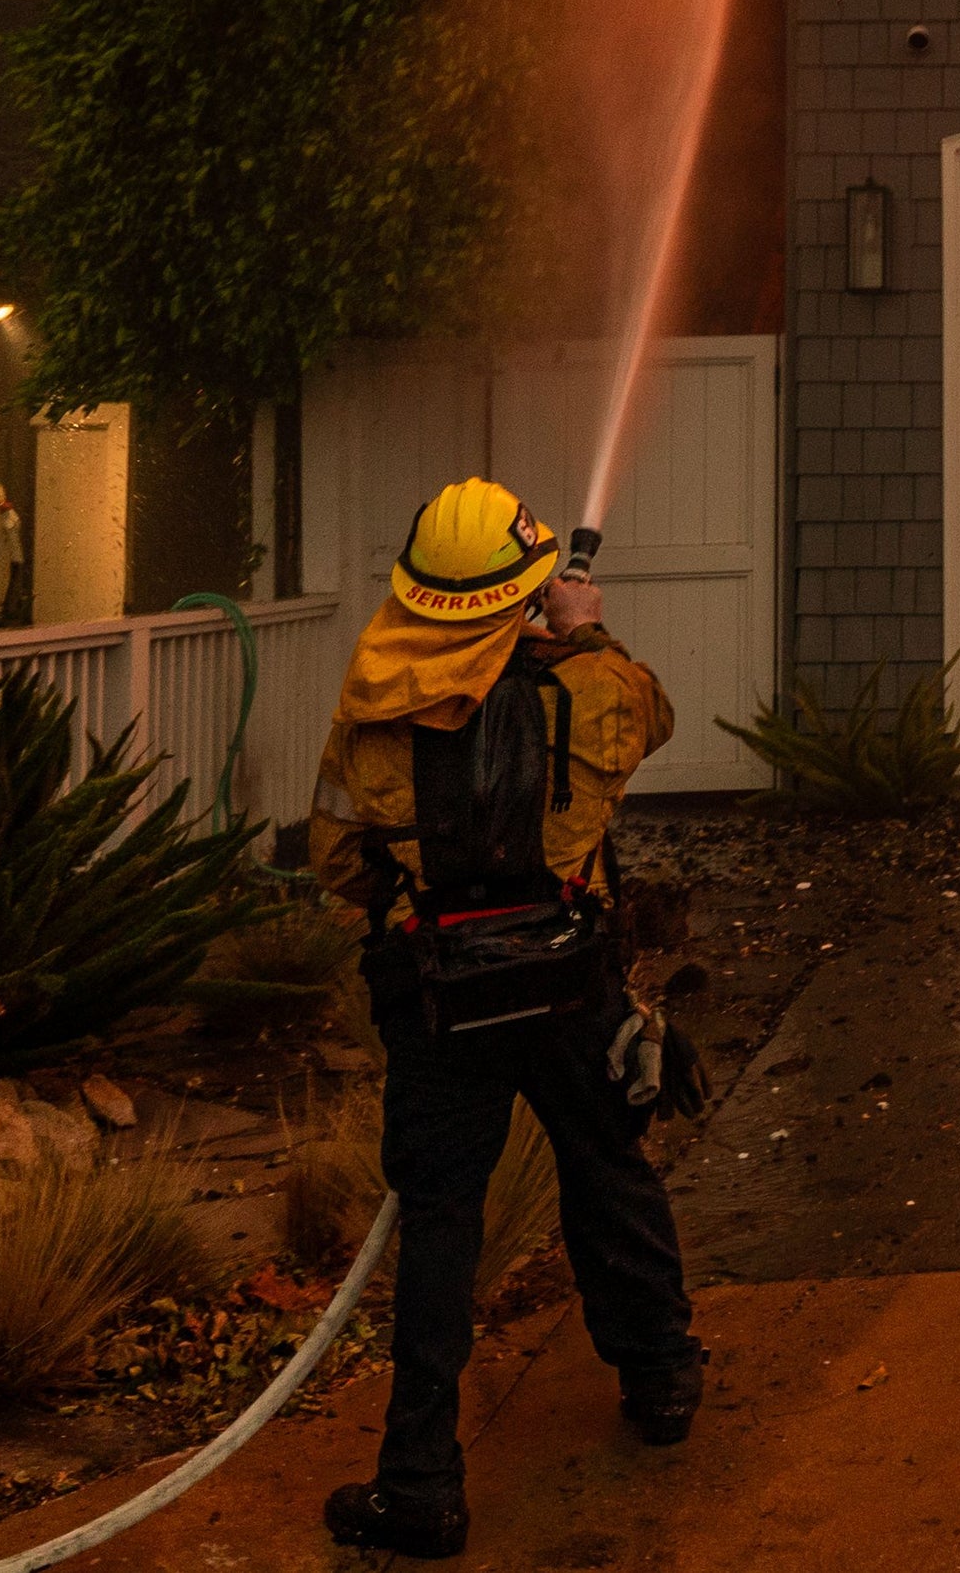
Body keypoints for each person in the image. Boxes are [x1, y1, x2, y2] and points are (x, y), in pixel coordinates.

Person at [308, 477, 707, 1560]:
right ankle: (662, 1376)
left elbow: (339, 861)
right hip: (570, 980)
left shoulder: (369, 714)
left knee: (441, 1225)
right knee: (608, 1166)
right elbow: (651, 713)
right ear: (524, 595)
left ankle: (421, 1485)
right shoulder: (596, 688)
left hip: (440, 999)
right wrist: (584, 629)